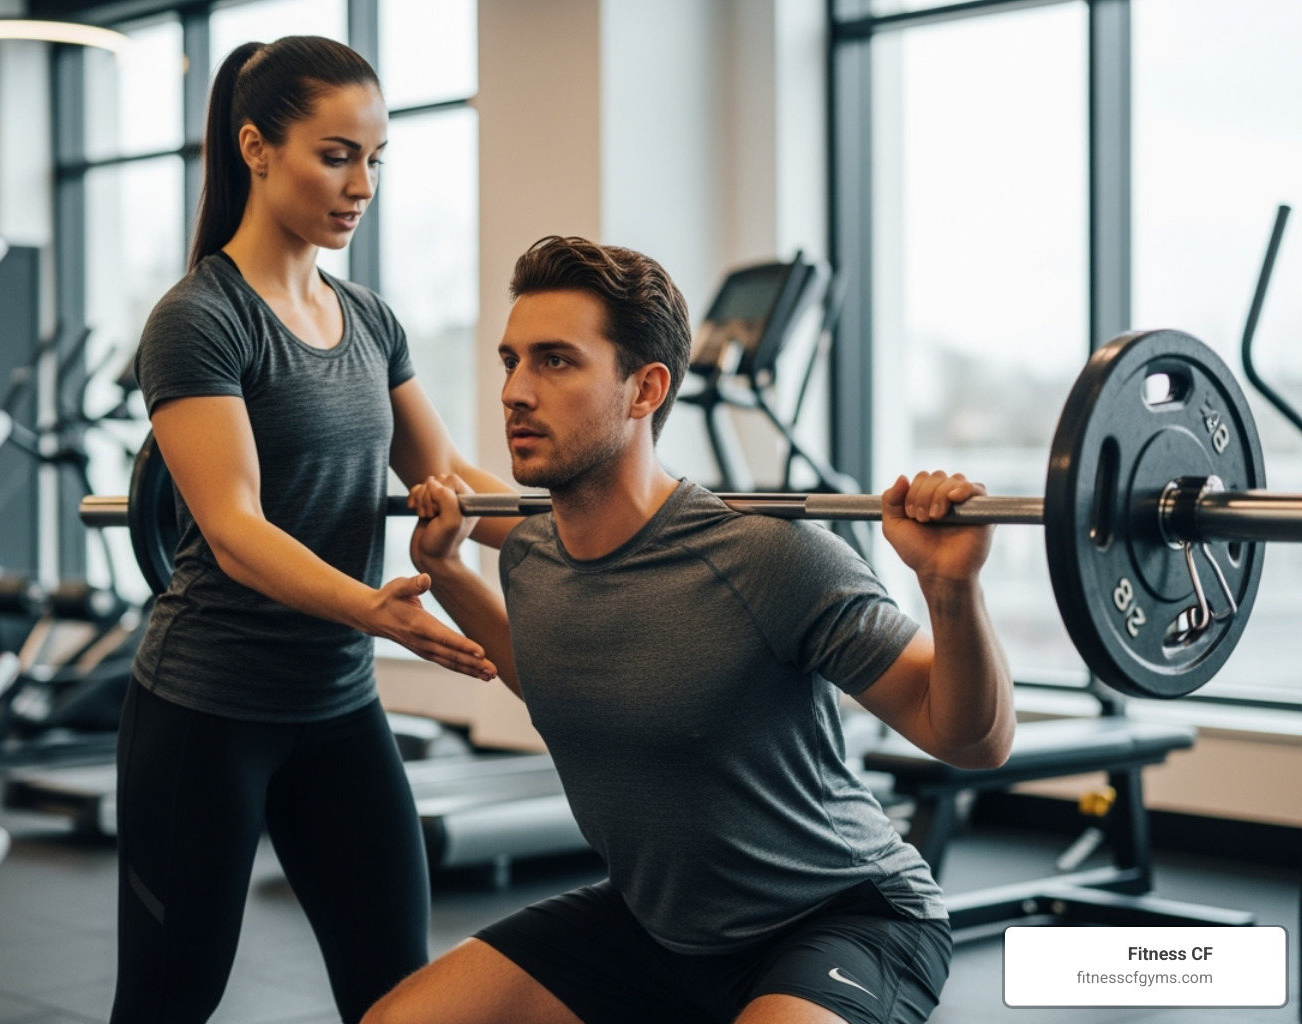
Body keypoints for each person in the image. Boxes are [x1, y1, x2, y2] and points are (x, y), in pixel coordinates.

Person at [366, 236, 1016, 1024]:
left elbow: (974, 740)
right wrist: (457, 578)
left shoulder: (772, 560)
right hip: (661, 925)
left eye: (556, 361)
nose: (516, 391)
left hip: (839, 916)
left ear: (645, 390)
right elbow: (555, 677)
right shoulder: (532, 553)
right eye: (512, 361)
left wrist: (950, 589)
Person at [111, 36, 513, 1024]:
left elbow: (450, 476)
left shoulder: (371, 319)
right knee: (169, 1001)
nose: (362, 183)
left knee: (397, 996)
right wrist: (379, 609)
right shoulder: (201, 319)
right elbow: (236, 527)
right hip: (206, 711)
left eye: (376, 159)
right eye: (337, 155)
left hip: (337, 708)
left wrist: (622, 523)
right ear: (256, 147)